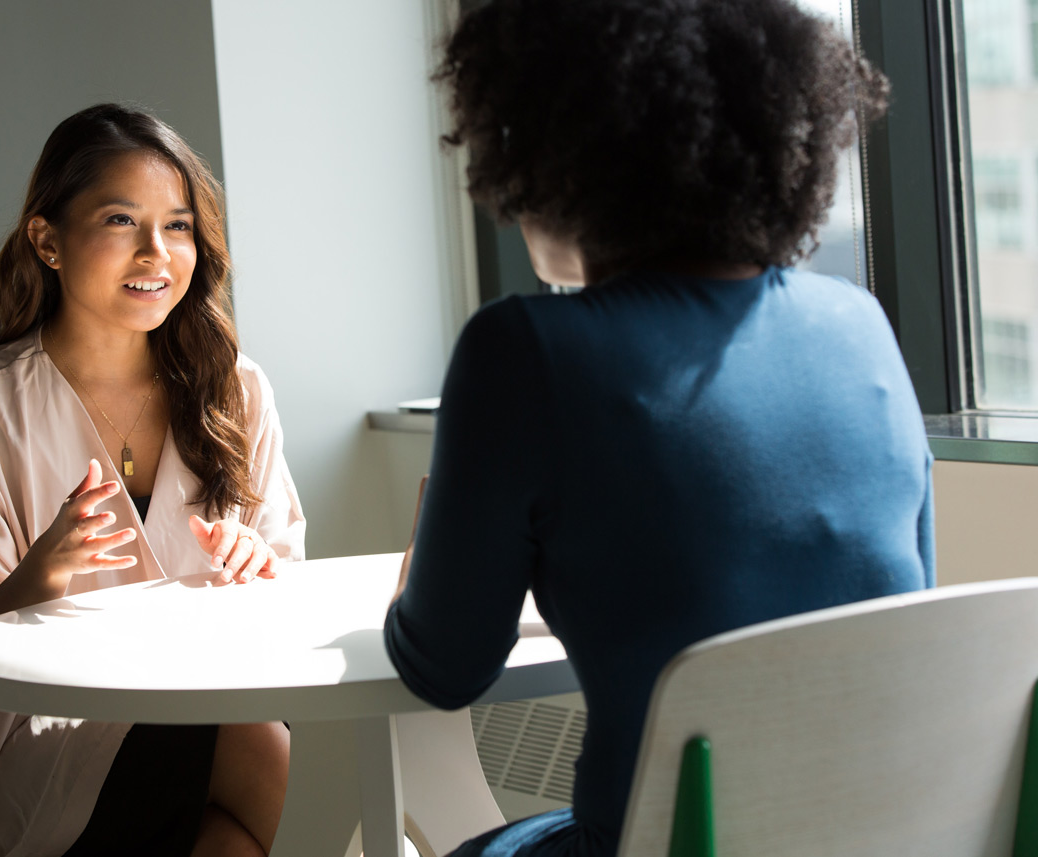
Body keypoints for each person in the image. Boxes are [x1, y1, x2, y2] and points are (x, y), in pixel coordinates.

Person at [383, 1, 933, 855]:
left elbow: (443, 668)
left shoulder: (525, 350)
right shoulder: (860, 326)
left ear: (553, 150)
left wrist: (428, 563)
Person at [0, 103, 305, 857]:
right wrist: (37, 578)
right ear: (47, 240)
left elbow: (288, 591)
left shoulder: (236, 389)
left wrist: (257, 563)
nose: (157, 252)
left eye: (178, 225)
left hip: (214, 701)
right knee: (266, 751)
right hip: (36, 740)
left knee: (236, 830)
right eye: (120, 221)